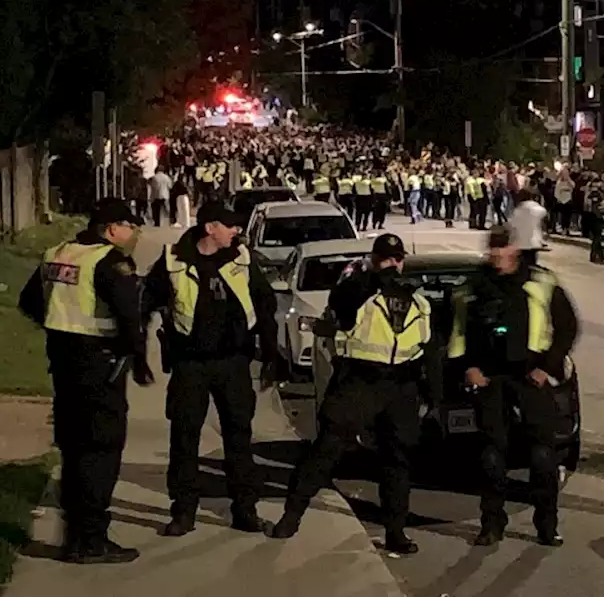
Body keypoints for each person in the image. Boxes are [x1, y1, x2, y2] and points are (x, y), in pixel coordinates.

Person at [269, 234, 443, 552]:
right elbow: (342, 304)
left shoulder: (417, 301)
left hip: (400, 387)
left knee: (397, 461)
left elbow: (429, 349)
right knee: (326, 452)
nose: (392, 265)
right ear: (374, 260)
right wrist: (370, 276)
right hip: (359, 383)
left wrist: (433, 394)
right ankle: (291, 517)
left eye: (396, 259)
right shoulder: (358, 291)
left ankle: (396, 531)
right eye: (385, 259)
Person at [19, 199, 152, 564]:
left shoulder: (58, 252)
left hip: (64, 364)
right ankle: (91, 540)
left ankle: (75, 534)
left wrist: (60, 330)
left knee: (74, 450)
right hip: (100, 366)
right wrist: (136, 358)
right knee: (102, 450)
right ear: (111, 229)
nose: (134, 234)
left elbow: (29, 301)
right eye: (129, 226)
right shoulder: (109, 262)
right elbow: (130, 317)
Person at [146, 202, 282, 536]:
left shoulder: (242, 258)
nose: (237, 231)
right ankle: (183, 513)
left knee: (239, 438)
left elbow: (266, 304)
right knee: (184, 439)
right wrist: (136, 352)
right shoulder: (172, 260)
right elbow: (145, 303)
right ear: (210, 228)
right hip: (190, 364)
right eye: (230, 225)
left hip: (233, 362)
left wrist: (270, 353)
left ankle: (245, 511)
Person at [454, 226, 580, 546]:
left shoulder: (541, 282)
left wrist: (547, 367)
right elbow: (457, 335)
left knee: (542, 456)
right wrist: (467, 368)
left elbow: (567, 327)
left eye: (503, 250)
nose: (498, 257)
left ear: (516, 249)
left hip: (530, 377)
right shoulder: (473, 287)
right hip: (492, 379)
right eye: (493, 251)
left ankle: (546, 525)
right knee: (492, 457)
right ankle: (492, 523)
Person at [510, 188, 548, 269]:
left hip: (520, 242)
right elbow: (543, 213)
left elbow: (513, 226)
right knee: (532, 264)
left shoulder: (518, 209)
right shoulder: (535, 206)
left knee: (522, 265)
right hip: (534, 241)